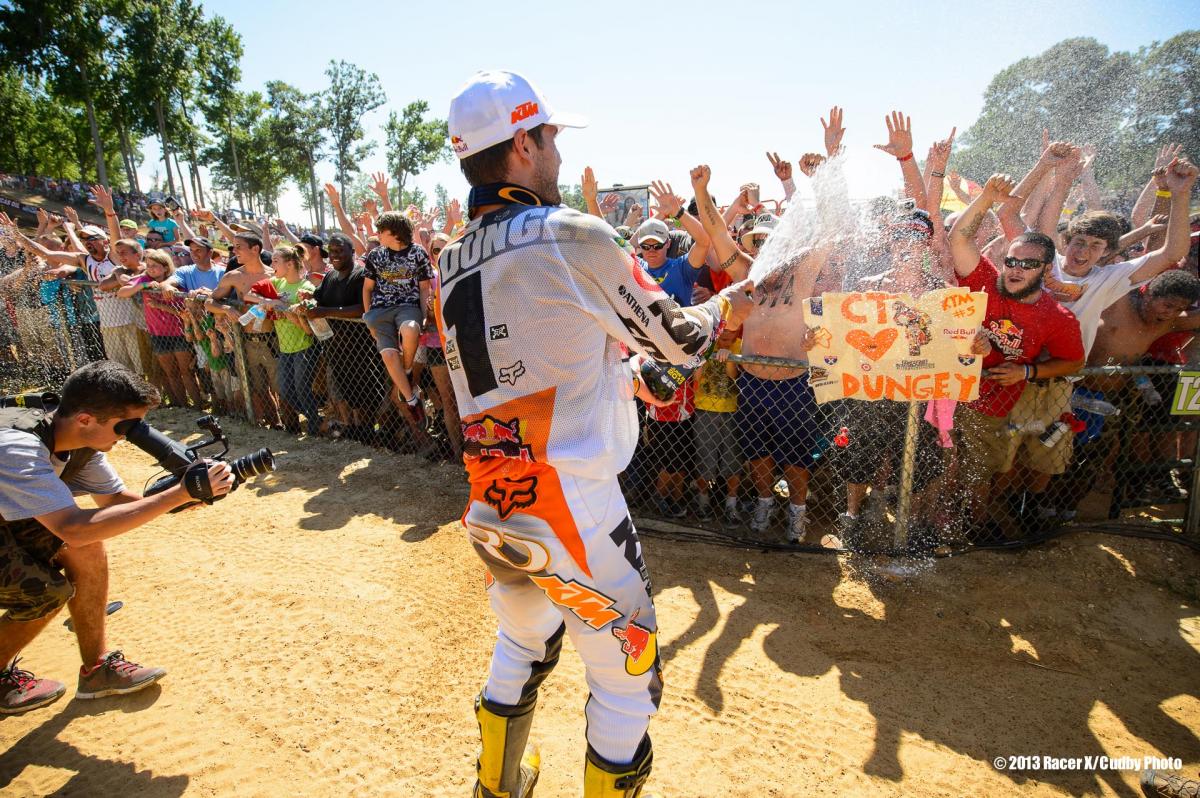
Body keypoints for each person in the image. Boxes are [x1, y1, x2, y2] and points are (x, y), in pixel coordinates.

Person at [442, 69, 753, 797]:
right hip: (571, 499)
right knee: (628, 680)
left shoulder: (449, 258)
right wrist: (738, 296)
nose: (554, 152)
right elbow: (683, 340)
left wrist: (622, 371)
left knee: (522, 639)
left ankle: (497, 785)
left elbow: (532, 358)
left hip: (492, 496)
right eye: (549, 137)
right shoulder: (570, 232)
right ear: (522, 143)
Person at [0, 360, 234, 714]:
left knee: (88, 547)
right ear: (84, 419)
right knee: (45, 591)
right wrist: (177, 495)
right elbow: (73, 527)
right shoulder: (18, 448)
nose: (129, 435)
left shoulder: (80, 441)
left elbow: (114, 503)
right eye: (124, 426)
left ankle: (96, 671)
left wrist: (189, 496)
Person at [947, 174, 1085, 525]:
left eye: (1028, 264)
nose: (1016, 269)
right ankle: (937, 522)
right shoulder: (985, 282)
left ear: (1046, 269)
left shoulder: (1057, 317)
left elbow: (1074, 361)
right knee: (939, 463)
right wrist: (986, 200)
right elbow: (959, 237)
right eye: (1011, 261)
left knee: (980, 471)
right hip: (948, 392)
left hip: (993, 403)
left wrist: (1026, 371)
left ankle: (973, 527)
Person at [361, 210, 433, 420]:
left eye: (380, 231)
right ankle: (411, 400)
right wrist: (367, 315)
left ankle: (408, 370)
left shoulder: (418, 253)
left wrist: (423, 315)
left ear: (393, 232)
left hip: (408, 307)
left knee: (410, 329)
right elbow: (367, 288)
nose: (376, 235)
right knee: (389, 354)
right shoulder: (376, 255)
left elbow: (424, 288)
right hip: (380, 311)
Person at [248, 245, 322, 436]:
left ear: (289, 264)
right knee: (285, 389)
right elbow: (248, 295)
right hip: (284, 347)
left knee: (302, 387)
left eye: (275, 261)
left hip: (304, 345)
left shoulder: (305, 287)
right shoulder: (276, 282)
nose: (271, 265)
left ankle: (315, 428)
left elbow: (309, 314)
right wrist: (269, 302)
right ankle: (317, 419)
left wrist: (286, 307)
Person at [117, 249, 204, 407]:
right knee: (170, 373)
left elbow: (183, 312)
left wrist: (159, 305)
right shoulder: (145, 279)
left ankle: (197, 405)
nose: (150, 269)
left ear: (165, 267)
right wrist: (144, 284)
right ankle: (180, 405)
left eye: (155, 265)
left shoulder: (175, 281)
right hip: (158, 334)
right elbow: (122, 292)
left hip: (180, 332)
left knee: (187, 372)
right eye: (148, 265)